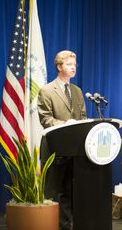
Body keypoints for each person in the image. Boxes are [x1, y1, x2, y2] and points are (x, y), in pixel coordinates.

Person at [37, 50, 86, 230]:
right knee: (51, 191)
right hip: (54, 149)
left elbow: (82, 118)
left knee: (69, 191)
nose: (73, 67)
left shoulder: (78, 91)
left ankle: (66, 226)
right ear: (59, 67)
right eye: (69, 64)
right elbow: (45, 119)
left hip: (75, 150)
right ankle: (47, 225)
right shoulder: (47, 90)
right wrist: (67, 123)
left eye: (75, 64)